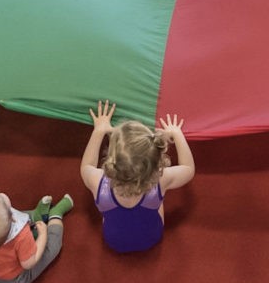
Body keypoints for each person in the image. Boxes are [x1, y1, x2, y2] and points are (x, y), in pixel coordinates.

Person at [79, 100, 195, 253]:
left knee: (108, 205)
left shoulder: (97, 181)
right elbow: (189, 169)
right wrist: (177, 134)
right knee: (154, 199)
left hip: (114, 241)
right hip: (152, 237)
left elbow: (86, 166)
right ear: (155, 163)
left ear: (111, 159)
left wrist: (98, 131)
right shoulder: (161, 180)